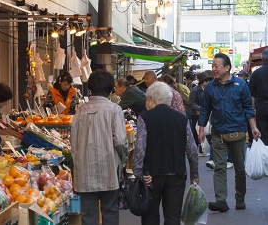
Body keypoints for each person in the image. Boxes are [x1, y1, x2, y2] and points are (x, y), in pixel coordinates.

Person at [198, 53, 260, 213]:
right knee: (219, 167)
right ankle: (221, 201)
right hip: (218, 133)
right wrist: (201, 128)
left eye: (216, 66)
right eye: (212, 66)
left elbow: (248, 107)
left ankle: (240, 199)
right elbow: (205, 109)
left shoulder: (241, 84)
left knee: (239, 168)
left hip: (238, 132)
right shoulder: (210, 87)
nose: (213, 69)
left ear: (227, 67)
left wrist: (253, 127)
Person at [133, 82, 199, 225]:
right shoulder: (182, 118)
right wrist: (194, 174)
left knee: (150, 216)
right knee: (173, 217)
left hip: (152, 175)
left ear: (151, 99)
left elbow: (139, 149)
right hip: (177, 173)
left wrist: (138, 173)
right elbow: (192, 149)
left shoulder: (144, 118)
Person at [72, 70, 128, 225]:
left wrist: (77, 165)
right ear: (110, 90)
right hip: (109, 168)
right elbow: (121, 141)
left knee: (88, 215)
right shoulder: (114, 110)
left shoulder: (80, 111)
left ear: (90, 88)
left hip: (84, 170)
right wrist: (122, 162)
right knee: (110, 211)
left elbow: (73, 143)